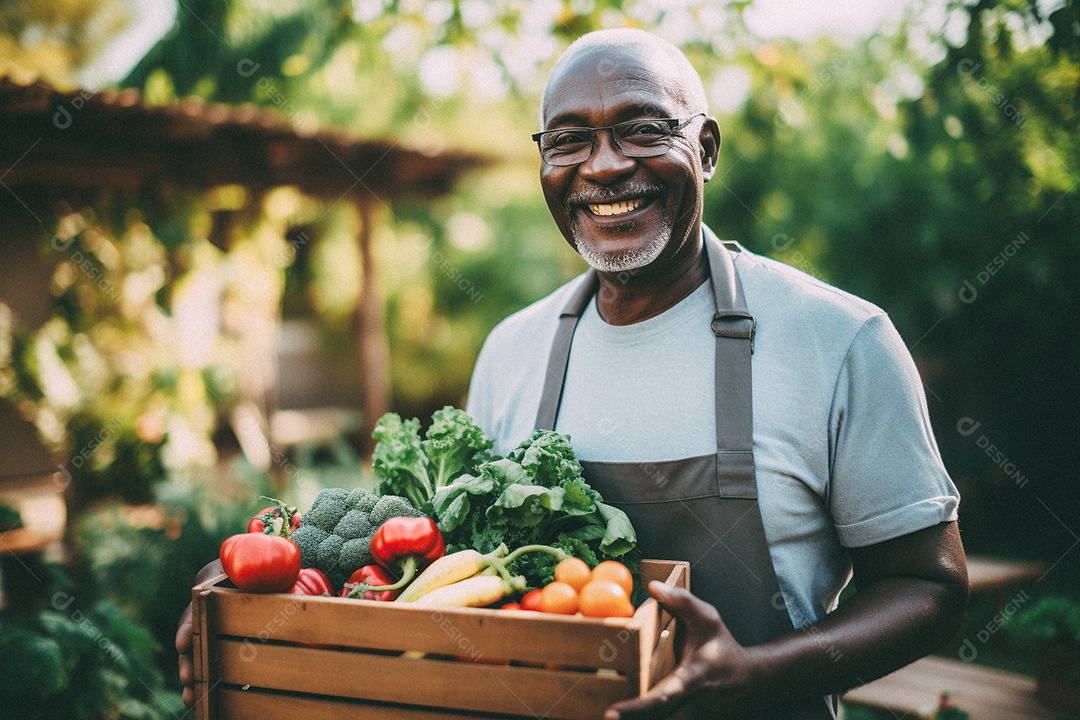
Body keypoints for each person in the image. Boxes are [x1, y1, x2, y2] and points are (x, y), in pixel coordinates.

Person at [177, 28, 967, 719]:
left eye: (642, 129)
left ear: (708, 150)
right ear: (545, 163)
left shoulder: (837, 339)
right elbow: (445, 572)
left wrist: (755, 677)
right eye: (569, 140)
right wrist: (257, 589)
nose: (605, 166)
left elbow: (929, 589)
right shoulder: (512, 351)